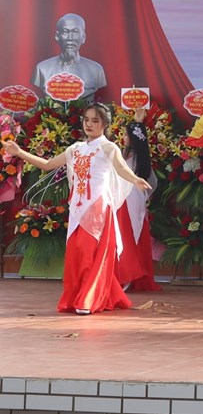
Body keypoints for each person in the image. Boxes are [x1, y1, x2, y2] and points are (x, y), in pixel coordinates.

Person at [2, 103, 151, 314]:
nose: (89, 124)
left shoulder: (108, 147)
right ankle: (86, 296)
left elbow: (121, 168)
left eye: (95, 120)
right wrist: (20, 152)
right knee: (77, 253)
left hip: (98, 207)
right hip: (77, 208)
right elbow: (47, 165)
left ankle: (88, 299)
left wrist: (135, 179)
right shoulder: (75, 149)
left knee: (90, 252)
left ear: (105, 124)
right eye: (86, 120)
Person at [116, 108, 161, 292]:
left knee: (126, 235)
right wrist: (138, 121)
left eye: (127, 135)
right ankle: (129, 275)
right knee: (127, 234)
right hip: (131, 199)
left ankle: (127, 274)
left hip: (128, 200)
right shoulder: (137, 159)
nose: (124, 138)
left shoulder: (129, 158)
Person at [32, 13, 107, 101]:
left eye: (75, 32)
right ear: (57, 36)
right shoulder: (42, 69)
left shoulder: (96, 70)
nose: (70, 38)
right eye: (65, 32)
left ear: (83, 37)